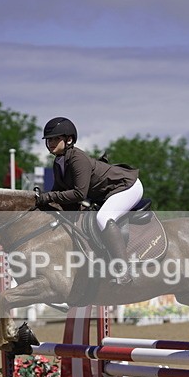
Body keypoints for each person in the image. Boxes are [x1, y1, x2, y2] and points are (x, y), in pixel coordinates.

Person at [35, 117, 143, 284]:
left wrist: (48, 197)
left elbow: (79, 194)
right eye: (49, 139)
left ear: (69, 139)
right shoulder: (58, 162)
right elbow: (58, 192)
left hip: (126, 187)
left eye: (56, 138)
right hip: (106, 193)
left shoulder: (78, 159)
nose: (51, 143)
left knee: (104, 217)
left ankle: (123, 270)